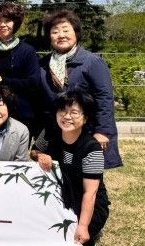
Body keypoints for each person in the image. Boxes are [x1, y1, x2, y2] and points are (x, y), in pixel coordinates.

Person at [38, 9, 122, 169]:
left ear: (76, 33)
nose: (61, 35)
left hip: (87, 131)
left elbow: (105, 98)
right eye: (55, 32)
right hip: (58, 131)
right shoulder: (43, 64)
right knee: (60, 174)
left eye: (65, 30)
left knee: (87, 175)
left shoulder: (92, 62)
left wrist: (103, 130)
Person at [31, 92, 110, 246]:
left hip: (84, 199)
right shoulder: (50, 131)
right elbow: (34, 152)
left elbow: (90, 193)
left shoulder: (92, 148)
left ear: (85, 118)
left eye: (74, 112)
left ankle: (93, 232)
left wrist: (83, 226)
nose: (66, 117)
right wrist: (40, 156)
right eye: (62, 111)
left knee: (75, 244)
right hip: (57, 195)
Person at [0, 2, 41, 139]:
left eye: (7, 20)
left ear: (15, 23)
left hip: (21, 112)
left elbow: (33, 82)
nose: (2, 24)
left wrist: (1, 80)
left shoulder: (27, 51)